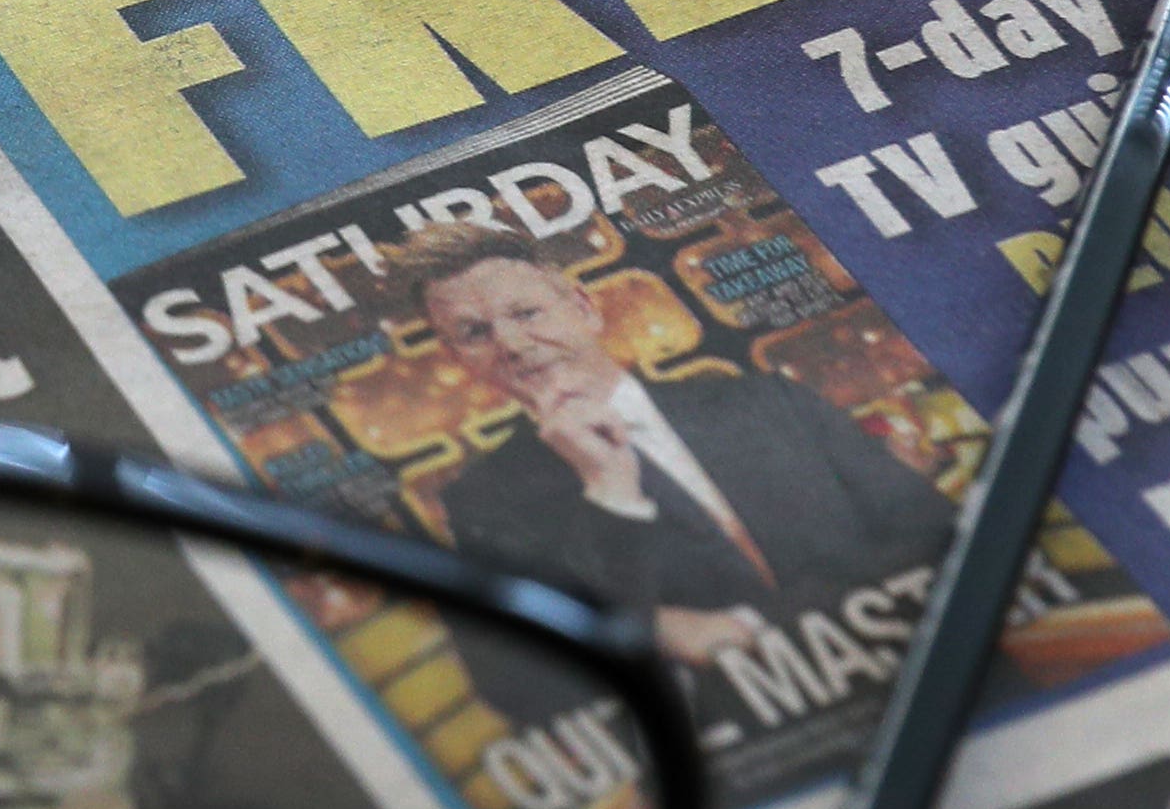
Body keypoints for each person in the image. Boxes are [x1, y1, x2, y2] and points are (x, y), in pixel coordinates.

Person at [397, 238, 949, 680]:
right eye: (475, 333)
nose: (512, 344)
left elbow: (934, 534)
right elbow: (524, 688)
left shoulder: (766, 400)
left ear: (584, 308)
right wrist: (609, 493)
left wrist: (752, 627)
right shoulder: (484, 503)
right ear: (458, 359)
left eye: (526, 312)